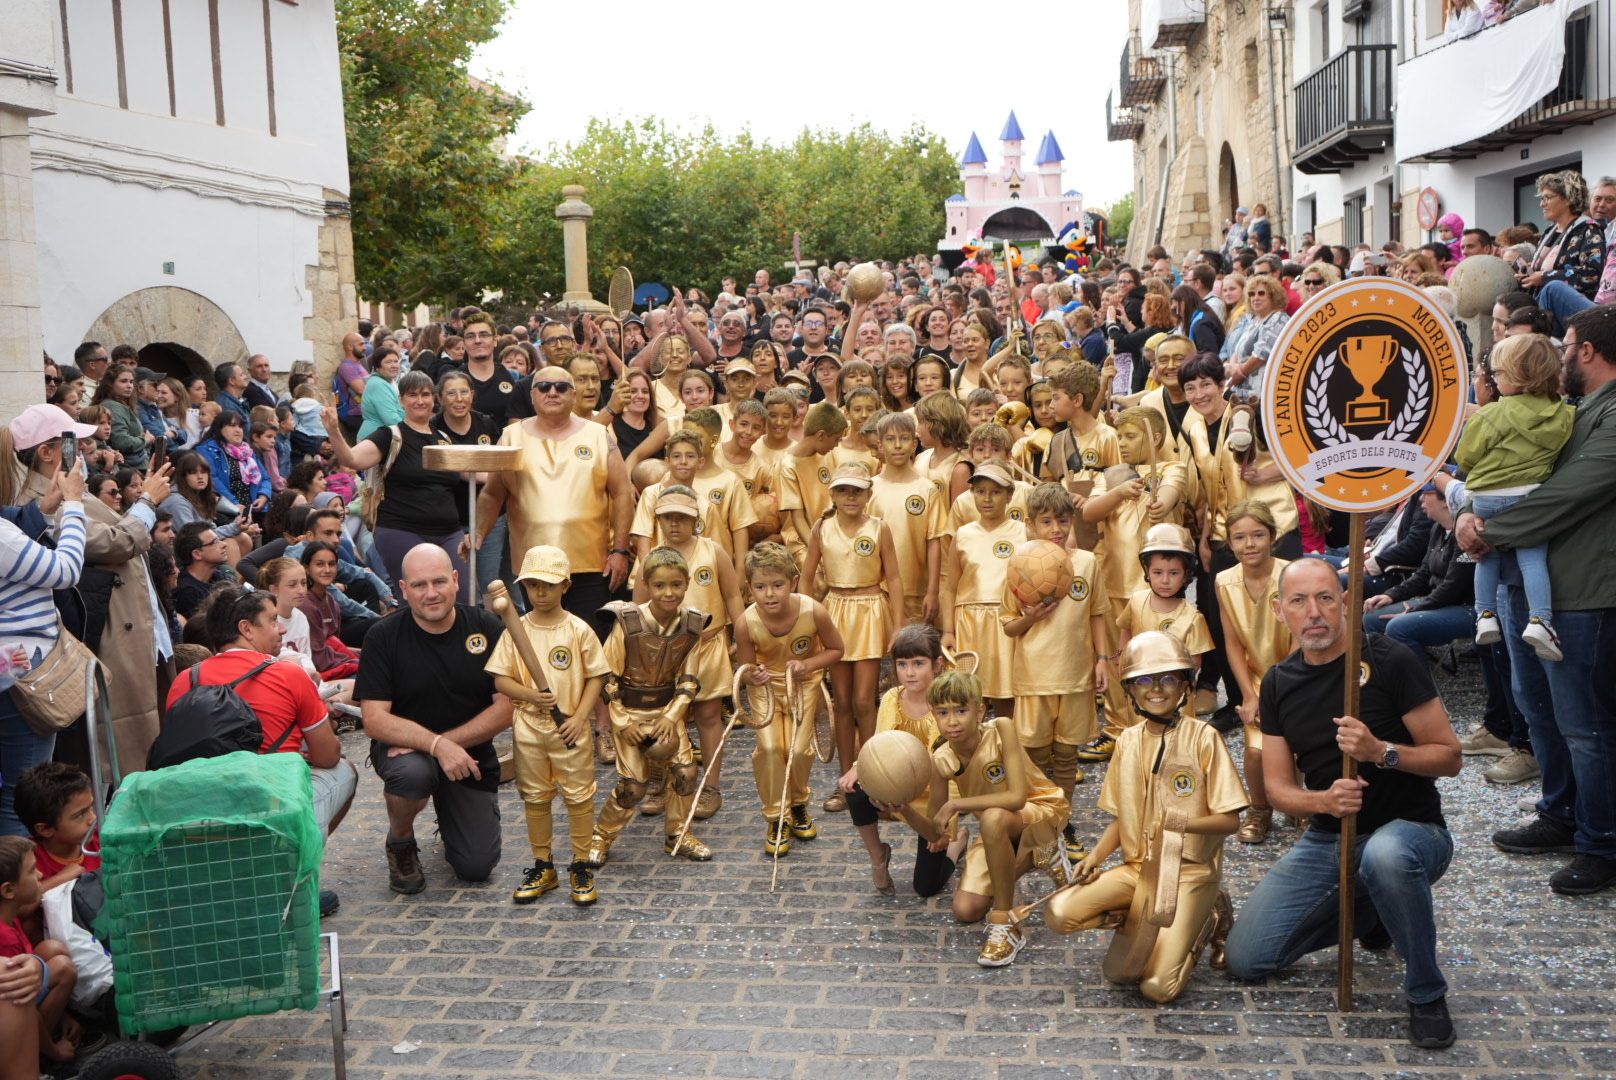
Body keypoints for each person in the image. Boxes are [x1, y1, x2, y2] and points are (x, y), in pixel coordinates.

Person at [1224, 559, 1462, 1050]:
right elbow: (1276, 789)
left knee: (1386, 857)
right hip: (1331, 836)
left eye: (1326, 598)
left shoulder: (1392, 660)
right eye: (1299, 601)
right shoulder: (1278, 683)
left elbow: (1450, 758)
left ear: (1346, 603)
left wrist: (1381, 753)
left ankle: (1425, 991)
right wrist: (1322, 801)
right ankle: (1375, 911)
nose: (1314, 612)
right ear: (1279, 611)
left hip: (1412, 831)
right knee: (1247, 958)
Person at [1461, 305, 1616, 895]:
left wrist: (1484, 528)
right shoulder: (1577, 410)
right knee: (1539, 707)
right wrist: (1470, 509)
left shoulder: (1610, 413)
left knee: (1587, 725)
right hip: (1533, 581)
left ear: (1590, 353)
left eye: (1568, 344)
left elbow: (1567, 497)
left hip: (1584, 590)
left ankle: (1600, 842)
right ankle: (1561, 812)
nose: (1560, 354)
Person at [1044, 631, 1241, 1003]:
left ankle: (1210, 917)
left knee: (1157, 988)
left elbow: (1231, 822)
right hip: (1140, 870)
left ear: (1185, 684)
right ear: (1131, 690)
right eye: (1144, 681)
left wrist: (1183, 824)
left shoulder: (1204, 738)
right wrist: (1095, 857)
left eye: (1168, 678)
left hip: (1190, 872)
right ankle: (1140, 918)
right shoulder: (1127, 741)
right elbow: (1123, 817)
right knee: (1059, 912)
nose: (1157, 689)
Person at [169, 587, 356, 911]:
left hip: (203, 808)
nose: (281, 628)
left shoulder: (187, 678)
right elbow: (328, 757)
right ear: (246, 628)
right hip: (272, 805)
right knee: (346, 770)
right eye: (272, 620)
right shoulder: (289, 674)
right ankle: (296, 878)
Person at [892, 670, 1073, 967]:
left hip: (1041, 809)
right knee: (965, 909)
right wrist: (903, 808)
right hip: (997, 827)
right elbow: (936, 832)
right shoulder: (941, 761)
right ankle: (1041, 855)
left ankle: (1005, 923)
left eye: (961, 710)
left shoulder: (1002, 729)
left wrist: (957, 804)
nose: (952, 721)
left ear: (980, 710)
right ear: (934, 715)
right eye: (943, 712)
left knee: (991, 818)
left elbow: (1016, 797)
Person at [359, 545, 511, 894]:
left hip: (469, 758)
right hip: (409, 755)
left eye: (439, 581)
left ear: (456, 580)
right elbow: (374, 720)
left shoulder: (486, 627)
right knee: (413, 774)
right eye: (419, 585)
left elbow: (507, 707)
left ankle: (454, 816)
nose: (431, 593)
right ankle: (401, 841)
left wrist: (449, 746)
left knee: (476, 867)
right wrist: (436, 746)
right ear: (403, 588)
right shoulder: (382, 636)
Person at [485, 546, 608, 907]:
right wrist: (530, 695)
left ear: (566, 586)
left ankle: (580, 865)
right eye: (533, 585)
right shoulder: (515, 630)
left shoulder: (578, 630)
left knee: (579, 796)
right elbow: (500, 680)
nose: (540, 593)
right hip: (529, 726)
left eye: (548, 585)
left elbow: (596, 677)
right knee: (536, 798)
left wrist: (579, 716)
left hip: (569, 728)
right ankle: (544, 865)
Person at [477, 366, 633, 639]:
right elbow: (492, 493)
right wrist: (478, 532)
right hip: (533, 566)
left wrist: (620, 551)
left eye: (561, 387)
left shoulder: (598, 435)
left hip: (591, 564)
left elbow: (622, 493)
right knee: (543, 639)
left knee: (591, 639)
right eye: (544, 387)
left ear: (573, 396)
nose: (552, 392)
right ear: (532, 395)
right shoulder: (511, 436)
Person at [1001, 483, 1111, 862]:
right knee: (1033, 756)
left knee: (1066, 756)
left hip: (1076, 676)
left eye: (1062, 520)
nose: (1056, 529)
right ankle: (1036, 822)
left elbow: (1097, 613)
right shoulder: (1019, 563)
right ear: (1030, 525)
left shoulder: (1087, 563)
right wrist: (1029, 618)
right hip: (1033, 677)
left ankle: (1062, 825)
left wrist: (1102, 659)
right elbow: (1009, 627)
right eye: (1046, 521)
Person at [588, 547, 710, 865]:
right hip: (629, 713)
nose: (668, 593)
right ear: (647, 584)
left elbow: (689, 681)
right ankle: (601, 836)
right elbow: (607, 676)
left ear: (686, 584)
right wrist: (622, 721)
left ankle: (678, 835)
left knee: (685, 773)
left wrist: (671, 716)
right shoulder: (628, 622)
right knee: (634, 787)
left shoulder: (693, 624)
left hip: (667, 711)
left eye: (676, 585)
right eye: (659, 585)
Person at [1458, 335, 1574, 661]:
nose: (1493, 378)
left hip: (1486, 500)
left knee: (1487, 556)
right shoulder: (1562, 414)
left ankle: (1485, 615)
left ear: (1517, 375)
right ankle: (1541, 620)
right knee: (1533, 560)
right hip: (1529, 499)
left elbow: (1465, 458)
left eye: (1498, 372)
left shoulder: (1490, 414)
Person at [836, 622, 969, 895]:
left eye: (918, 664)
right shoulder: (891, 699)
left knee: (926, 887)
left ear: (937, 665)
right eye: (902, 664)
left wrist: (942, 825)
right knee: (855, 787)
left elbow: (950, 773)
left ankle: (956, 846)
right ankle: (878, 857)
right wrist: (859, 765)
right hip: (897, 784)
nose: (909, 673)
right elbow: (878, 748)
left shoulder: (948, 708)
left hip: (935, 795)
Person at [635, 488, 743, 821]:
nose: (675, 523)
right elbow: (637, 610)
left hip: (707, 646)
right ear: (659, 519)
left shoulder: (713, 552)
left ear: (695, 518)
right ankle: (662, 781)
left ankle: (711, 786)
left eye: (682, 516)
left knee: (709, 716)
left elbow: (733, 599)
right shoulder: (652, 558)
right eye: (668, 517)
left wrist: (743, 641)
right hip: (666, 650)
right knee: (665, 717)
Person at [802, 463, 902, 805]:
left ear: (868, 494)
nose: (850, 497)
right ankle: (846, 782)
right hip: (834, 609)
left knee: (864, 699)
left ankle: (871, 776)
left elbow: (895, 578)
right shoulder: (822, 528)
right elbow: (806, 576)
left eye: (857, 491)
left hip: (871, 609)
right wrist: (806, 617)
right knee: (841, 702)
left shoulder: (879, 528)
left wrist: (899, 623)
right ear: (832, 494)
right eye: (843, 490)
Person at [735, 543, 844, 856]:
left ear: (793, 583)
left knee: (796, 749)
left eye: (777, 585)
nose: (769, 594)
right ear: (750, 588)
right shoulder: (746, 623)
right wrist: (751, 675)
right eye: (760, 587)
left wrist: (807, 665)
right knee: (770, 748)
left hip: (803, 686)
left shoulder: (813, 611)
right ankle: (775, 817)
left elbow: (837, 649)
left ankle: (797, 803)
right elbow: (744, 668)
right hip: (766, 689)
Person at [323, 372, 470, 602]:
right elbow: (352, 459)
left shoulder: (443, 438)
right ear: (401, 400)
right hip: (402, 530)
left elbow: (472, 473)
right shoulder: (389, 436)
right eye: (412, 395)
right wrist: (333, 430)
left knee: (462, 597)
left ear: (434, 399)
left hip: (449, 532)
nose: (419, 401)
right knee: (418, 601)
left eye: (425, 395)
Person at [0, 454, 86, 835]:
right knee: (20, 795)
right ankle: (20, 890)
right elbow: (65, 570)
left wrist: (48, 509)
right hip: (17, 674)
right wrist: (75, 507)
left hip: (10, 669)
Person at [1214, 502, 1294, 844]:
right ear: (1230, 543)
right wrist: (1248, 694)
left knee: (1300, 742)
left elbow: (1301, 639)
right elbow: (1233, 644)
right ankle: (1260, 808)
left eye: (1258, 535)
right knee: (1254, 750)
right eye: (1240, 537)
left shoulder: (1291, 574)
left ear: (1273, 537)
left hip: (1296, 671)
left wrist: (1274, 690)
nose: (1249, 544)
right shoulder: (1223, 581)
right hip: (1257, 678)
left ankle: (1300, 805)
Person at [941, 462, 1024, 719]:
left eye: (996, 492)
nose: (987, 498)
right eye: (980, 491)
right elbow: (950, 587)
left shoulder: (1023, 532)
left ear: (1010, 495)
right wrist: (948, 631)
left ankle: (1004, 751)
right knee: (969, 697)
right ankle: (974, 755)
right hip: (970, 622)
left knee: (1006, 697)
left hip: (1006, 623)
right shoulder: (963, 534)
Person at [0, 836, 80, 1067]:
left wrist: (64, 1014)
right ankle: (36, 1052)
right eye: (32, 871)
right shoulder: (4, 938)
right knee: (64, 969)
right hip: (15, 1020)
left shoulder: (9, 918)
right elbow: (22, 1006)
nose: (41, 876)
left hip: (22, 1001)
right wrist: (55, 1051)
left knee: (51, 949)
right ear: (8, 890)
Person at [14, 763, 98, 892]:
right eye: (80, 814)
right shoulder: (28, 861)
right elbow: (20, 907)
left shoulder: (102, 841)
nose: (93, 818)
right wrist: (61, 878)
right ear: (45, 829)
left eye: (91, 807)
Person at [356, 345, 404, 441]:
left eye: (396, 361)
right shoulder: (378, 385)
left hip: (382, 436)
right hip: (374, 439)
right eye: (388, 362)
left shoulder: (389, 382)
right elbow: (391, 419)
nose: (394, 365)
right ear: (378, 366)